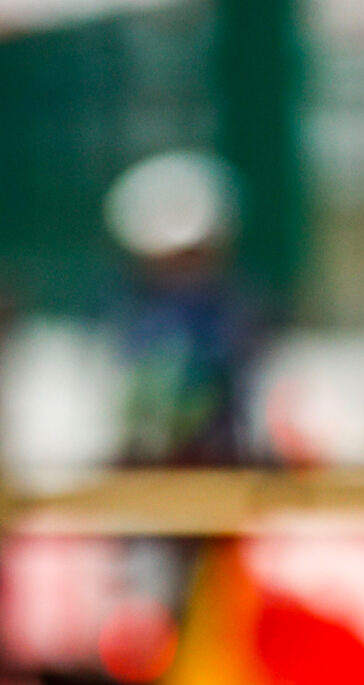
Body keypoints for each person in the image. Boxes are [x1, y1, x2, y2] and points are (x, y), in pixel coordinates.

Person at [105, 151, 263, 466]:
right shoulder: (118, 321)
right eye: (169, 259)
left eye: (193, 255)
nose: (182, 272)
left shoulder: (243, 318)